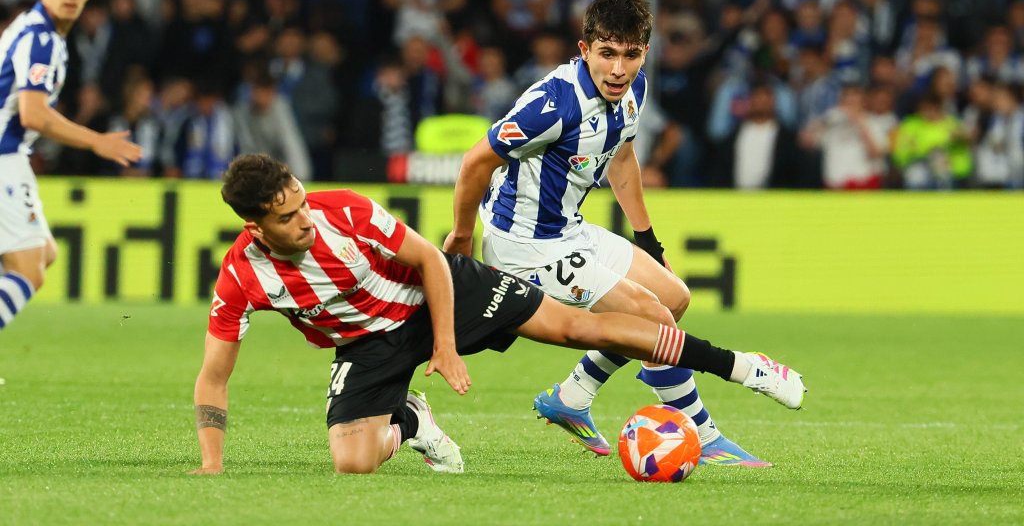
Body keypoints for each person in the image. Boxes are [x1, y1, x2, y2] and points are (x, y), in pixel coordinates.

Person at [191, 154, 806, 475]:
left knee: (580, 327)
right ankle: (411, 420)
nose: (306, 218)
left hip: (444, 294)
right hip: (368, 344)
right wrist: (212, 466)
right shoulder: (243, 276)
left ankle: (743, 367)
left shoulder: (344, 210)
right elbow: (214, 376)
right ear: (256, 227)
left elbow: (432, 260)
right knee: (352, 463)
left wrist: (445, 345)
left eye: (302, 202)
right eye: (289, 216)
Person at [443, 0, 770, 466]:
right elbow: (476, 161)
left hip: (569, 230)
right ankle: (702, 436)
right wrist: (462, 234)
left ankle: (573, 396)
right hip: (525, 244)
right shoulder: (553, 104)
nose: (618, 68)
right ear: (584, 50)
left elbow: (622, 159)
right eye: (607, 54)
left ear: (645, 52)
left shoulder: (634, 88)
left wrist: (648, 241)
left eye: (630, 55)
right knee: (652, 317)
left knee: (674, 299)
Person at [0, 0, 140, 331]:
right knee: (29, 269)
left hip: (11, 155)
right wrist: (95, 141)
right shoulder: (41, 39)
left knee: (44, 254)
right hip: (4, 157)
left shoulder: (38, 31)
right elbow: (33, 114)